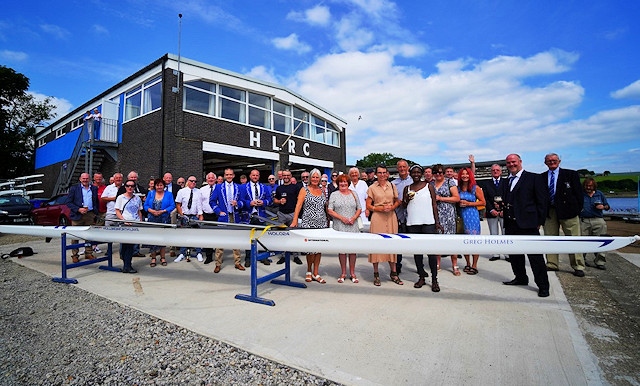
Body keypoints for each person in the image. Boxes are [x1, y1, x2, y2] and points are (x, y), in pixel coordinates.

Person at [501, 154, 550, 297]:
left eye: (514, 162)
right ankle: (521, 278)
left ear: (520, 162)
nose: (511, 164)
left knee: (535, 257)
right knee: (515, 255)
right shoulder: (507, 181)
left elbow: (542, 201)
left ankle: (543, 286)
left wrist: (539, 222)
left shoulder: (534, 178)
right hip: (511, 223)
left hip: (529, 224)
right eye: (509, 163)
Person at [541, 153, 585, 277]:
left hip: (569, 211)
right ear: (545, 163)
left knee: (574, 239)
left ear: (559, 161)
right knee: (550, 239)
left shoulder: (571, 174)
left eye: (554, 160)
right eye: (549, 161)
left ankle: (578, 265)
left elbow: (579, 194)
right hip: (550, 212)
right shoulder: (542, 177)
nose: (552, 162)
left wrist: (577, 210)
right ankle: (552, 263)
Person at [403, 164, 441, 291]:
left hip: (428, 223)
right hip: (413, 223)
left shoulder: (428, 186)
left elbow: (434, 205)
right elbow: (403, 206)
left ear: (422, 173)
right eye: (413, 172)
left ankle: (434, 279)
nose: (416, 174)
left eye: (418, 172)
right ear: (410, 174)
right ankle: (421, 276)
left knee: (431, 253)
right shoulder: (407, 188)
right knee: (417, 253)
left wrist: (437, 222)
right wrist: (407, 199)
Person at [366, 164, 402, 286]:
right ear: (376, 174)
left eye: (384, 172)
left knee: (392, 244)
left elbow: (398, 201)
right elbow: (368, 205)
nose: (382, 175)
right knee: (376, 245)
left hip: (391, 217)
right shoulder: (372, 187)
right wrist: (379, 209)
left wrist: (392, 207)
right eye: (379, 173)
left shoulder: (392, 185)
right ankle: (376, 274)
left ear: (387, 173)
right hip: (378, 217)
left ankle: (394, 272)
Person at [291, 168, 328, 284]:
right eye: (313, 177)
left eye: (317, 177)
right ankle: (308, 270)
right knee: (310, 249)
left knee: (319, 249)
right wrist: (295, 220)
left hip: (321, 223)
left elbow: (325, 207)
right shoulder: (304, 190)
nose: (315, 179)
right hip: (308, 223)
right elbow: (298, 205)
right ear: (310, 178)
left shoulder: (322, 190)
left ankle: (316, 273)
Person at [327, 174, 362, 283]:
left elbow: (359, 208)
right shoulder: (334, 194)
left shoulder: (354, 193)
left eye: (345, 182)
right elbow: (330, 210)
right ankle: (343, 272)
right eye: (341, 182)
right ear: (338, 183)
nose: (343, 184)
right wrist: (342, 218)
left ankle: (352, 272)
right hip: (340, 225)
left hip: (353, 224)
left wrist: (353, 218)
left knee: (352, 250)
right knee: (342, 250)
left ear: (348, 183)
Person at [210, 168, 245, 272]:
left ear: (233, 175)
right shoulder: (218, 187)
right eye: (227, 174)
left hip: (235, 216)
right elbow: (212, 201)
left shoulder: (238, 187)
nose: (229, 176)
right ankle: (218, 263)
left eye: (231, 174)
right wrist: (218, 211)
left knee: (236, 240)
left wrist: (237, 204)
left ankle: (237, 262)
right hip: (223, 216)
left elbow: (243, 201)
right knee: (220, 240)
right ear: (224, 176)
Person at [431, 164, 461, 275]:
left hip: (448, 213)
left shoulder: (450, 182)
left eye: (440, 172)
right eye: (435, 173)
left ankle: (454, 264)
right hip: (435, 214)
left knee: (451, 239)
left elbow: (457, 198)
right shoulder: (431, 184)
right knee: (437, 239)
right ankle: (438, 262)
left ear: (443, 173)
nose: (438, 174)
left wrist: (441, 198)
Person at [240, 169, 272, 266]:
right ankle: (248, 258)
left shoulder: (264, 187)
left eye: (257, 175)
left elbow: (270, 200)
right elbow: (241, 200)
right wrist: (249, 203)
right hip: (249, 216)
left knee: (262, 237)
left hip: (261, 215)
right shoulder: (244, 187)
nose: (255, 177)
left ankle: (263, 257)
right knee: (249, 238)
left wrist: (264, 202)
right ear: (250, 176)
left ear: (259, 176)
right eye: (253, 175)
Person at [457, 167, 486, 275]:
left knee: (474, 241)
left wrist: (469, 203)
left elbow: (483, 202)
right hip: (462, 215)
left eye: (467, 174)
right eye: (463, 174)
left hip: (472, 216)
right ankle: (467, 263)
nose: (465, 176)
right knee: (464, 241)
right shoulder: (458, 188)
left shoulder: (475, 188)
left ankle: (474, 265)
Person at [65, 173, 98, 263]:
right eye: (83, 178)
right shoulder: (74, 188)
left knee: (88, 235)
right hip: (77, 215)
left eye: (87, 178)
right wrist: (78, 209)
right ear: (80, 179)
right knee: (75, 236)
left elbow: (96, 201)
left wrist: (95, 213)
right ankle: (75, 255)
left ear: (90, 179)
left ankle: (88, 253)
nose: (85, 180)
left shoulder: (94, 188)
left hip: (90, 214)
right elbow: (68, 202)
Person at [273, 170, 303, 265]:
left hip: (292, 214)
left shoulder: (296, 187)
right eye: (284, 175)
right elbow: (274, 200)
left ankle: (296, 256)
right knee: (282, 235)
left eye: (288, 175)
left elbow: (300, 200)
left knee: (294, 235)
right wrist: (279, 201)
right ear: (282, 176)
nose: (286, 177)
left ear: (291, 176)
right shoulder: (279, 188)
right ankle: (283, 255)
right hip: (281, 214)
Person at [580, 177, 610, 270]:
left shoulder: (599, 194)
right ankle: (582, 260)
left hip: (598, 220)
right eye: (586, 186)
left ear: (594, 186)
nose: (588, 187)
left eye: (590, 186)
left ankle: (600, 262)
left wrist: (603, 207)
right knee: (582, 242)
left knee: (600, 241)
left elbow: (608, 206)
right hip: (583, 220)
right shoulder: (580, 194)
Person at [144, 178, 175, 267]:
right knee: (152, 239)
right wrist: (151, 211)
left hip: (163, 218)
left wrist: (163, 211)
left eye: (161, 185)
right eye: (157, 185)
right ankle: (153, 258)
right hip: (152, 218)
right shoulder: (150, 193)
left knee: (162, 239)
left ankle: (162, 257)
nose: (159, 187)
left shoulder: (169, 194)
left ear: (164, 186)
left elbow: (172, 205)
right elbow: (145, 205)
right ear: (155, 186)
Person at [115, 179, 143, 274]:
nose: (130, 187)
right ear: (125, 187)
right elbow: (117, 211)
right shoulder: (120, 198)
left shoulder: (137, 198)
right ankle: (126, 264)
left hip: (134, 223)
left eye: (132, 186)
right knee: (124, 245)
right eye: (128, 186)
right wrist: (124, 220)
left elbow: (139, 211)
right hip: (125, 224)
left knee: (131, 246)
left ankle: (128, 265)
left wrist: (140, 221)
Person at [174, 176, 204, 262]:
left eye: (195, 181)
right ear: (188, 181)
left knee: (196, 235)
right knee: (184, 235)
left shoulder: (198, 192)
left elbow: (199, 204)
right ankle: (182, 253)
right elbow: (178, 204)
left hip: (194, 215)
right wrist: (181, 214)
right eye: (192, 181)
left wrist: (200, 215)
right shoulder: (182, 191)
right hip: (185, 215)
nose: (193, 183)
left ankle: (198, 252)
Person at [480, 164, 507, 261]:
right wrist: (491, 209)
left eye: (497, 170)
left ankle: (507, 254)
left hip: (504, 212)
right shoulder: (486, 183)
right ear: (491, 172)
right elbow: (485, 198)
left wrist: (504, 209)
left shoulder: (506, 182)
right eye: (493, 170)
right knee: (493, 233)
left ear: (501, 171)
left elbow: (509, 196)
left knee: (505, 233)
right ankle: (495, 253)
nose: (495, 171)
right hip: (491, 212)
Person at [392, 159, 412, 274]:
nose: (402, 169)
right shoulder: (394, 184)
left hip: (413, 217)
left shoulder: (414, 181)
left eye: (404, 166)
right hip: (399, 217)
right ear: (397, 168)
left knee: (415, 243)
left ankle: (420, 267)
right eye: (400, 167)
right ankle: (397, 265)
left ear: (407, 168)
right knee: (398, 243)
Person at [200, 172, 218, 264]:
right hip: (206, 215)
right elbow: (199, 203)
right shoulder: (202, 190)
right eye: (209, 178)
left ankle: (218, 257)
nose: (211, 179)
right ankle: (209, 256)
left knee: (217, 236)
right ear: (206, 180)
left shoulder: (219, 188)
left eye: (212, 178)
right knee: (207, 236)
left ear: (215, 179)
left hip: (216, 215)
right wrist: (200, 214)